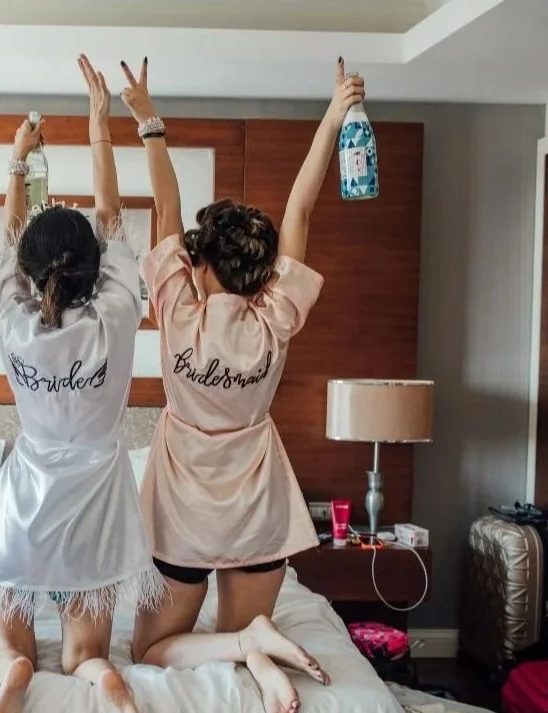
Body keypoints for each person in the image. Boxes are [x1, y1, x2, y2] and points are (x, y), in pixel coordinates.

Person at [125, 58, 365, 713]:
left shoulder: (176, 311)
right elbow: (302, 206)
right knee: (236, 620)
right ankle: (255, 642)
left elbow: (165, 204)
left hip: (183, 511)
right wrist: (334, 112)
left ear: (199, 264)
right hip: (258, 507)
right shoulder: (275, 316)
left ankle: (245, 645)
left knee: (148, 650)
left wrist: (149, 121)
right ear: (259, 272)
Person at [0, 55, 163, 713]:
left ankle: (14, 671)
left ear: (29, 268)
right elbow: (110, 211)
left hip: (21, 503)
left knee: (7, 644)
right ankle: (102, 676)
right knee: (85, 650)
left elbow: (11, 235)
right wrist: (101, 123)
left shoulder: (14, 319)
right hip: (98, 500)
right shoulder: (117, 313)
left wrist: (19, 161)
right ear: (98, 265)